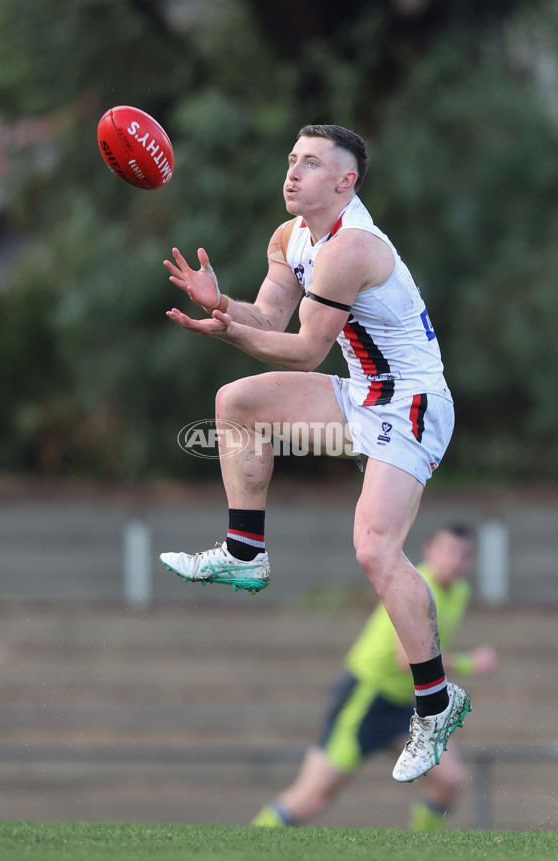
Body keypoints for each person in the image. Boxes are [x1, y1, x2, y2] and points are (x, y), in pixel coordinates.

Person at [160, 123, 470, 783]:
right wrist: (223, 305)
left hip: (411, 403)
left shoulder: (351, 248)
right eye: (292, 160)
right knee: (236, 403)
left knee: (374, 550)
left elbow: (305, 350)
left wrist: (225, 328)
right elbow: (270, 321)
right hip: (363, 393)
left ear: (345, 182)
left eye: (311, 164)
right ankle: (245, 553)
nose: (294, 173)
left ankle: (437, 704)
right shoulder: (289, 237)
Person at [251, 523, 497, 830]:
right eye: (447, 551)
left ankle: (419, 855)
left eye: (461, 555)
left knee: (449, 780)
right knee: (314, 795)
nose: (452, 560)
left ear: (469, 562)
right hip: (367, 695)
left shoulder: (459, 593)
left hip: (403, 705)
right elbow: (405, 657)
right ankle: (256, 838)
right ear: (429, 552)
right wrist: (468, 663)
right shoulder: (416, 585)